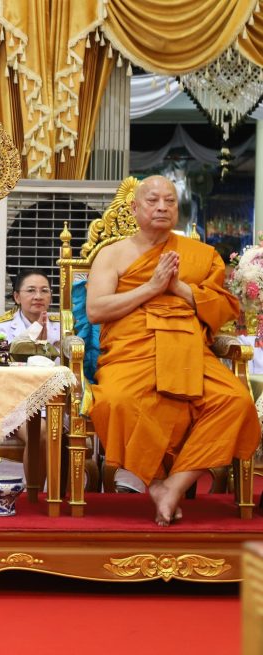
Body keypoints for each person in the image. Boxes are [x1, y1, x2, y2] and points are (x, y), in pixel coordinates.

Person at [86, 175, 259, 526]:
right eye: (152, 201)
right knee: (115, 400)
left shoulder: (200, 255)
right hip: (132, 353)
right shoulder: (112, 254)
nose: (162, 207)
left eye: (170, 201)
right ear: (134, 208)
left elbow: (222, 308)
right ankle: (155, 482)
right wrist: (151, 287)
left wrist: (178, 287)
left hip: (189, 352)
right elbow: (96, 310)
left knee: (236, 401)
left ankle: (173, 486)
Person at [0, 269, 60, 353]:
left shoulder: (62, 328)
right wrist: (33, 333)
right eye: (31, 290)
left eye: (44, 290)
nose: (38, 297)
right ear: (17, 297)